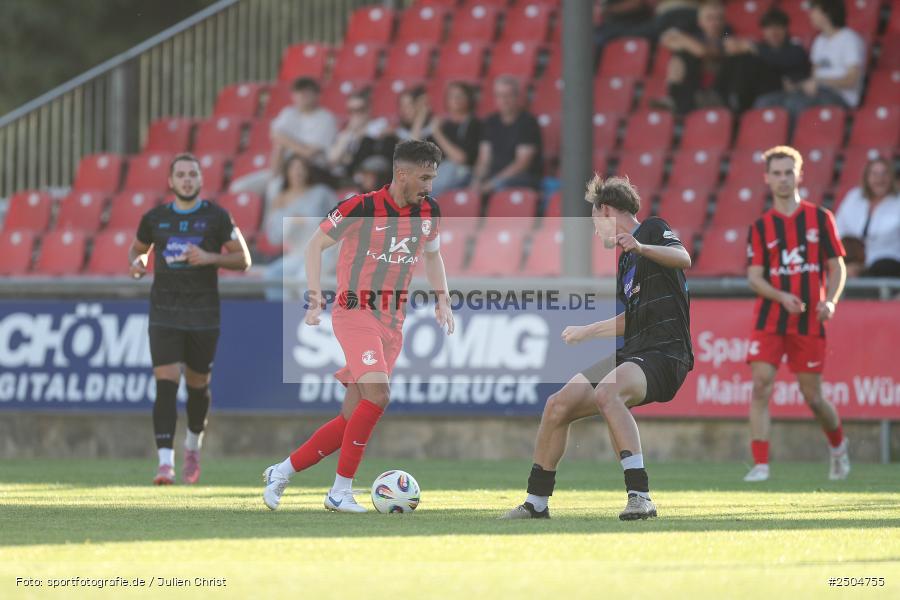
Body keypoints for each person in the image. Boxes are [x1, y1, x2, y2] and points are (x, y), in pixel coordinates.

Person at [262, 140, 455, 513]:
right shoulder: (361, 207)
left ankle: (281, 472)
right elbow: (314, 246)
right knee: (379, 396)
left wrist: (442, 299)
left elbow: (434, 257)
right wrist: (315, 296)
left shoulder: (429, 211)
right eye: (425, 177)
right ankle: (340, 492)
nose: (430, 185)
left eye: (433, 177)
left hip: (393, 321)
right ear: (402, 174)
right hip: (355, 313)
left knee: (351, 417)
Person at [501, 175, 694, 521]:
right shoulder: (624, 265)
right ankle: (536, 503)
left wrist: (642, 247)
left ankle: (640, 496)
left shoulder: (651, 230)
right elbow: (631, 319)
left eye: (594, 223)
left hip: (666, 353)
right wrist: (588, 331)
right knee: (557, 405)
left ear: (605, 210)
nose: (595, 232)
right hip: (635, 351)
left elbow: (683, 258)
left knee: (609, 392)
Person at [128, 153, 252, 485]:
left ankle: (193, 446)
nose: (186, 179)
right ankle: (165, 463)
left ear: (200, 179)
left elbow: (244, 258)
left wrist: (210, 257)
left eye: (192, 174)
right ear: (170, 181)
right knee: (166, 383)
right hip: (165, 312)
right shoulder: (154, 218)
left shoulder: (217, 217)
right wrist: (139, 263)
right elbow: (138, 249)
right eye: (180, 174)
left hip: (203, 314)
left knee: (198, 386)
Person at [744, 145, 849, 483]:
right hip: (770, 320)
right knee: (761, 387)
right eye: (776, 173)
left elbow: (837, 268)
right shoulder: (761, 227)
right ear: (766, 178)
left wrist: (830, 300)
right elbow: (754, 277)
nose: (783, 179)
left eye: (789, 172)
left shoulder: (821, 218)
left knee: (813, 397)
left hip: (809, 321)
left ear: (799, 175)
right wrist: (780, 295)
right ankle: (760, 464)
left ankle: (838, 448)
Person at [229, 77, 337, 201]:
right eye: (299, 93)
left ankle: (272, 221)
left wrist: (286, 141)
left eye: (307, 93)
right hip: (281, 169)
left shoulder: (326, 118)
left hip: (310, 172)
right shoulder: (288, 113)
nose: (302, 96)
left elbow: (310, 153)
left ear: (317, 95)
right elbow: (275, 136)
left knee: (274, 188)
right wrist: (286, 148)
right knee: (238, 187)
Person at [754, 0, 865, 119]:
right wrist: (798, 85)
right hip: (817, 92)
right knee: (764, 102)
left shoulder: (849, 39)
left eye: (814, 10)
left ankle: (792, 138)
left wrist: (820, 83)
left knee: (794, 104)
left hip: (840, 97)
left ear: (826, 13)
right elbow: (814, 77)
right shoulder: (819, 41)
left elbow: (851, 80)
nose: (810, 15)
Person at [262, 154, 338, 300]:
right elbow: (274, 238)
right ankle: (282, 318)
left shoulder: (321, 192)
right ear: (287, 172)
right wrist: (289, 224)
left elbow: (340, 217)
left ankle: (311, 319)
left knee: (303, 278)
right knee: (272, 275)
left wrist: (309, 221)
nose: (299, 172)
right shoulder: (279, 199)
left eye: (302, 168)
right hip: (297, 253)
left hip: (323, 250)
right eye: (294, 168)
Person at [714, 8, 810, 113]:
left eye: (777, 26)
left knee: (749, 61)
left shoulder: (795, 47)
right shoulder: (759, 47)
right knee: (737, 58)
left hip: (785, 92)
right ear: (763, 30)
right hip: (757, 92)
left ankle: (734, 100)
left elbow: (780, 60)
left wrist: (754, 48)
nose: (773, 32)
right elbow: (727, 36)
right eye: (768, 28)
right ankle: (723, 95)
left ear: (785, 28)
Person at [653, 0, 730, 114]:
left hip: (717, 73)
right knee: (680, 55)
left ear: (724, 21)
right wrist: (694, 46)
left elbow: (714, 51)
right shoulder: (696, 33)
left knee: (685, 53)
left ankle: (675, 99)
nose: (715, 23)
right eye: (710, 18)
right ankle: (673, 97)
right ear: (700, 22)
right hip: (693, 75)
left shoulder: (727, 32)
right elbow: (667, 39)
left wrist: (687, 42)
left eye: (719, 18)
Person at [470, 76, 543, 195]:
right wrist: (476, 181)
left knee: (500, 189)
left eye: (508, 95)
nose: (504, 100)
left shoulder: (528, 122)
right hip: (494, 177)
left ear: (517, 97)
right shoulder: (490, 121)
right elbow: (484, 159)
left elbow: (521, 164)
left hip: (521, 178)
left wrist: (492, 184)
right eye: (499, 95)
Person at [835, 157, 900, 278]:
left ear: (891, 177)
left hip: (888, 264)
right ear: (866, 177)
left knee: (883, 266)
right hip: (852, 261)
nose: (879, 179)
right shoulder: (854, 197)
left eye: (884, 173)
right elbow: (838, 229)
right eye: (874, 173)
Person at [327, 89, 396, 184]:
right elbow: (332, 160)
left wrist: (360, 134)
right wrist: (349, 132)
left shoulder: (379, 124)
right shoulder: (345, 133)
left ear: (369, 109)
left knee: (366, 142)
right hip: (349, 176)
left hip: (374, 175)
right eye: (351, 111)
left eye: (360, 110)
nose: (355, 115)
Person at [429, 81, 482, 196]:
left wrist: (437, 133)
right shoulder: (444, 125)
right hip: (441, 173)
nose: (455, 99)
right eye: (452, 96)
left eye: (460, 96)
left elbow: (460, 158)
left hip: (463, 173)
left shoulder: (474, 124)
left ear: (469, 99)